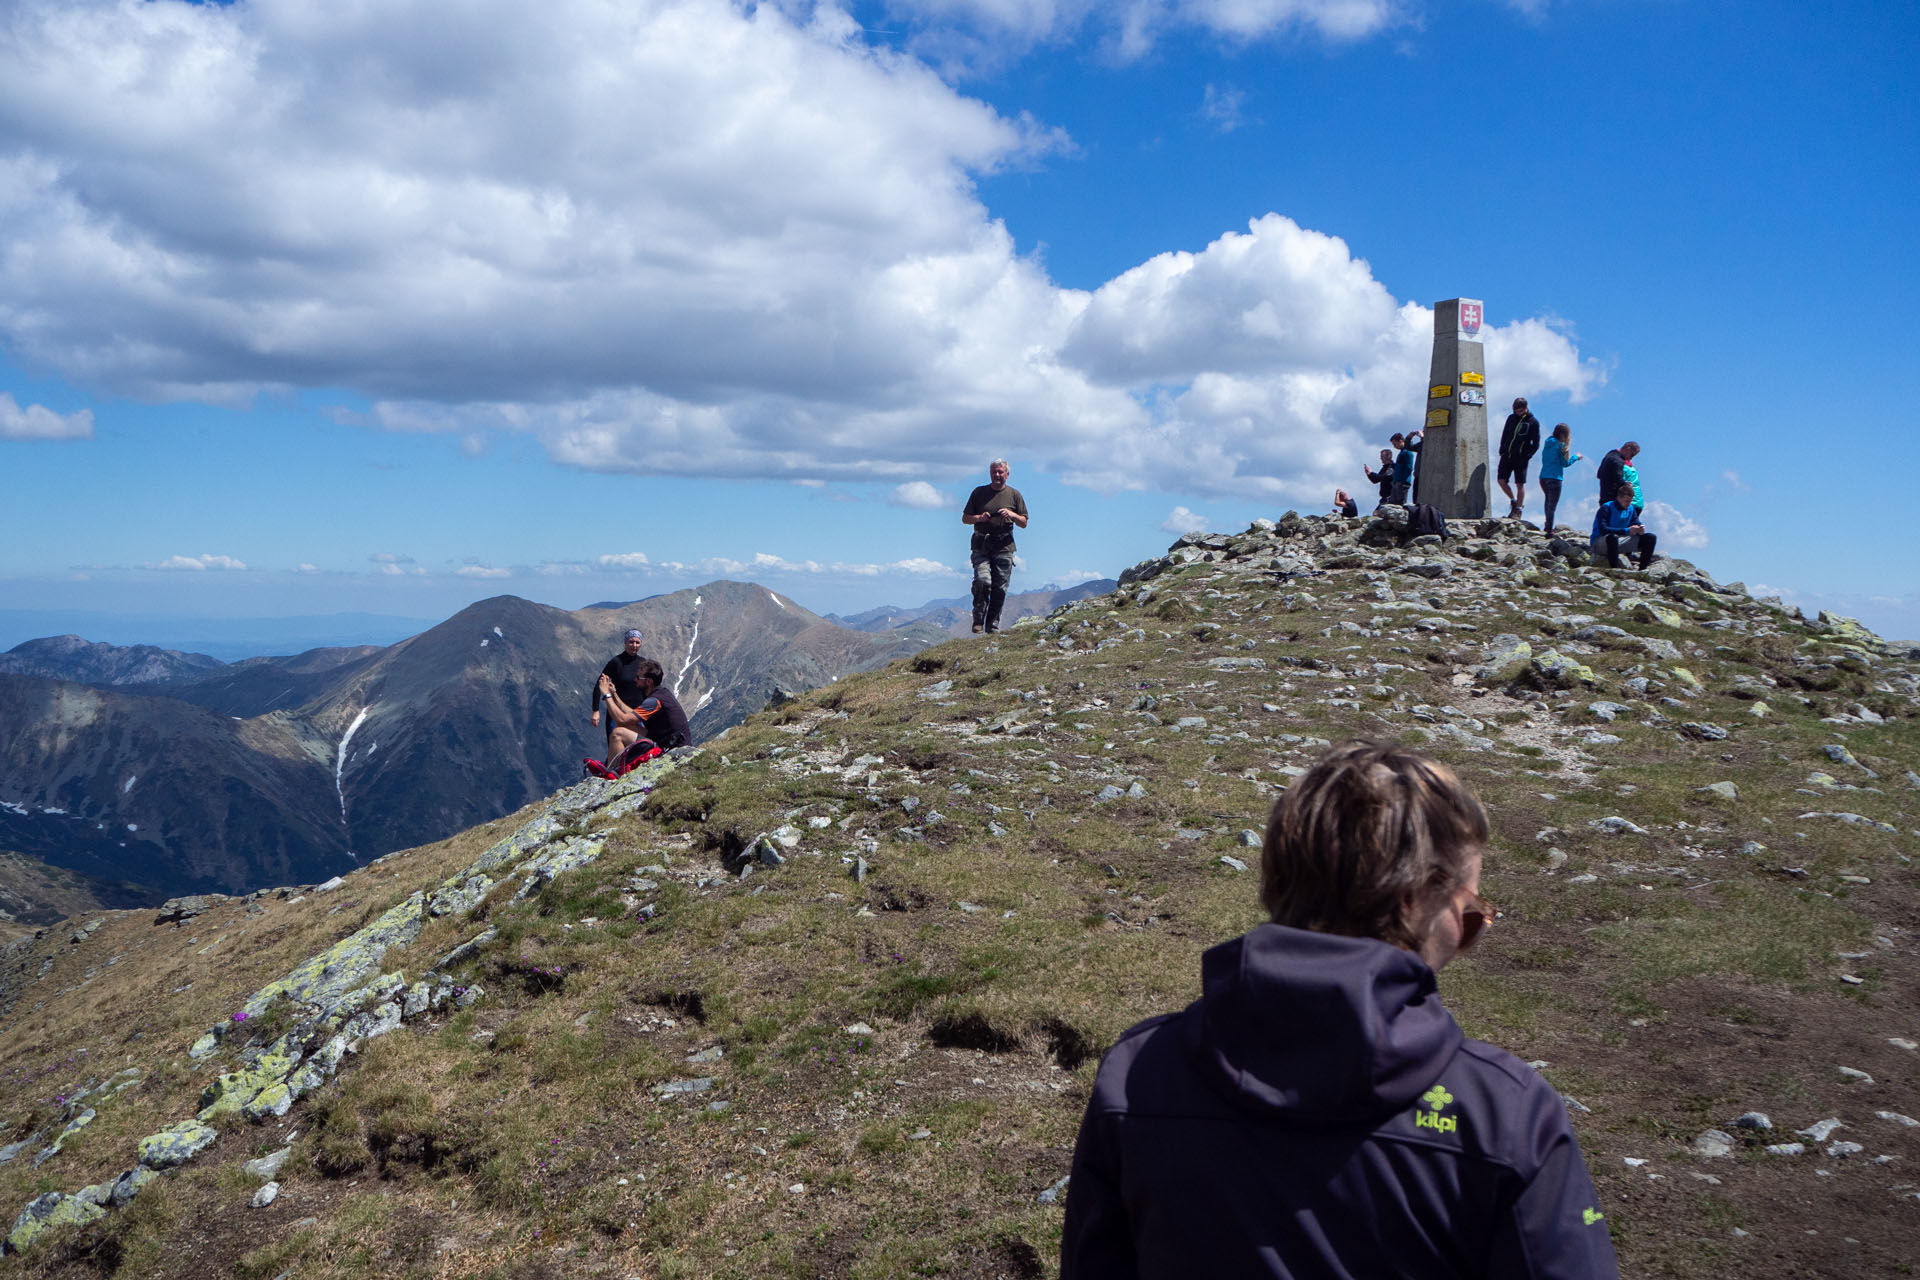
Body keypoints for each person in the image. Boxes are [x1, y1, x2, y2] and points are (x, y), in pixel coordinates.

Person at [1060, 741, 1619, 1280]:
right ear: (1415, 898)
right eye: (1471, 911)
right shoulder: (1507, 1115)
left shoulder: (1137, 1072)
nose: (1473, 931)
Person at [960, 458, 1028, 634]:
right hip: (981, 544)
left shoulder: (1014, 495)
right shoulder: (978, 493)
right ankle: (978, 620)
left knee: (1000, 588)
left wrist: (1012, 514)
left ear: (1007, 474)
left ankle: (993, 626)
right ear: (990, 474)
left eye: (1000, 472)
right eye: (994, 472)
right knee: (983, 581)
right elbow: (965, 518)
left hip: (1004, 546)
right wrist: (979, 518)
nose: (997, 475)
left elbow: (1024, 522)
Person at [591, 629, 648, 759]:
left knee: (640, 747)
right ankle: (614, 775)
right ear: (625, 643)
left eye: (637, 642)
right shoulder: (616, 662)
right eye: (631, 642)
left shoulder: (644, 663)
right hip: (617, 713)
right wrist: (595, 710)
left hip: (638, 713)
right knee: (616, 745)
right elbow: (599, 684)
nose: (634, 645)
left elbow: (648, 687)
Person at [1590, 482, 1657, 569]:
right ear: (1619, 498)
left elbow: (1635, 522)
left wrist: (1639, 529)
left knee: (1650, 538)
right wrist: (1627, 531)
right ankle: (1614, 569)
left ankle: (1643, 569)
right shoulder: (1607, 507)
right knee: (1612, 538)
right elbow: (1603, 529)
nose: (1628, 504)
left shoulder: (1631, 509)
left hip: (1621, 541)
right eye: (1626, 501)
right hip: (1601, 542)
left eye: (1630, 501)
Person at [1497, 397, 1542, 519]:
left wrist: (1528, 455)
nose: (1517, 413)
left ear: (1525, 408)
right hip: (1507, 454)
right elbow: (1505, 433)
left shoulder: (1533, 422)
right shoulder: (1511, 418)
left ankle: (1518, 509)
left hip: (1521, 458)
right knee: (1501, 480)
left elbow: (1536, 442)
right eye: (1515, 410)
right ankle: (1513, 500)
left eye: (1519, 411)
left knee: (1519, 484)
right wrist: (1502, 448)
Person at [1537, 423, 1582, 534]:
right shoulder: (1561, 446)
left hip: (1543, 477)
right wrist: (1576, 457)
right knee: (1552, 505)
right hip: (1555, 478)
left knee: (1548, 501)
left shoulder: (1548, 442)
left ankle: (1547, 525)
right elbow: (1565, 463)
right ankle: (1548, 529)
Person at [1595, 441, 1639, 509]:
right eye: (1632, 455)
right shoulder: (1618, 461)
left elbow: (1599, 474)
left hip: (1603, 498)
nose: (1631, 458)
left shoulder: (1609, 455)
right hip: (1614, 500)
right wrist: (1627, 485)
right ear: (1628, 449)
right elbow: (1618, 479)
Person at [1390, 430, 1422, 505]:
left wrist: (1402, 480)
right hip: (1397, 481)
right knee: (1394, 503)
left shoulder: (1407, 452)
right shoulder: (1402, 452)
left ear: (1400, 441)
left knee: (1400, 503)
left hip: (1402, 482)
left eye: (1395, 444)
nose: (1394, 446)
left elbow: (1409, 468)